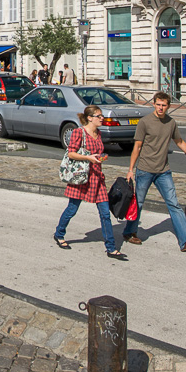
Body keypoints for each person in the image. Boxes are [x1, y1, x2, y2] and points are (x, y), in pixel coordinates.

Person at [121, 92, 186, 253]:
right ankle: (129, 232)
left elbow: (180, 142)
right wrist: (131, 170)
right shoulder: (145, 122)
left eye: (164, 105)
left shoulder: (171, 123)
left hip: (163, 171)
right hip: (145, 170)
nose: (160, 108)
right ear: (154, 104)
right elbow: (137, 147)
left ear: (168, 106)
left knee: (174, 204)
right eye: (158, 104)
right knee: (138, 203)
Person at [54, 104, 124, 259]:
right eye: (99, 116)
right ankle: (59, 233)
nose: (102, 118)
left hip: (97, 178)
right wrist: (88, 158)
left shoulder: (98, 133)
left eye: (102, 116)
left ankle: (111, 248)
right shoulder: (79, 133)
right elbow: (71, 153)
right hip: (81, 177)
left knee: (105, 213)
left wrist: (101, 157)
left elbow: (96, 153)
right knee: (72, 209)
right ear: (90, 118)